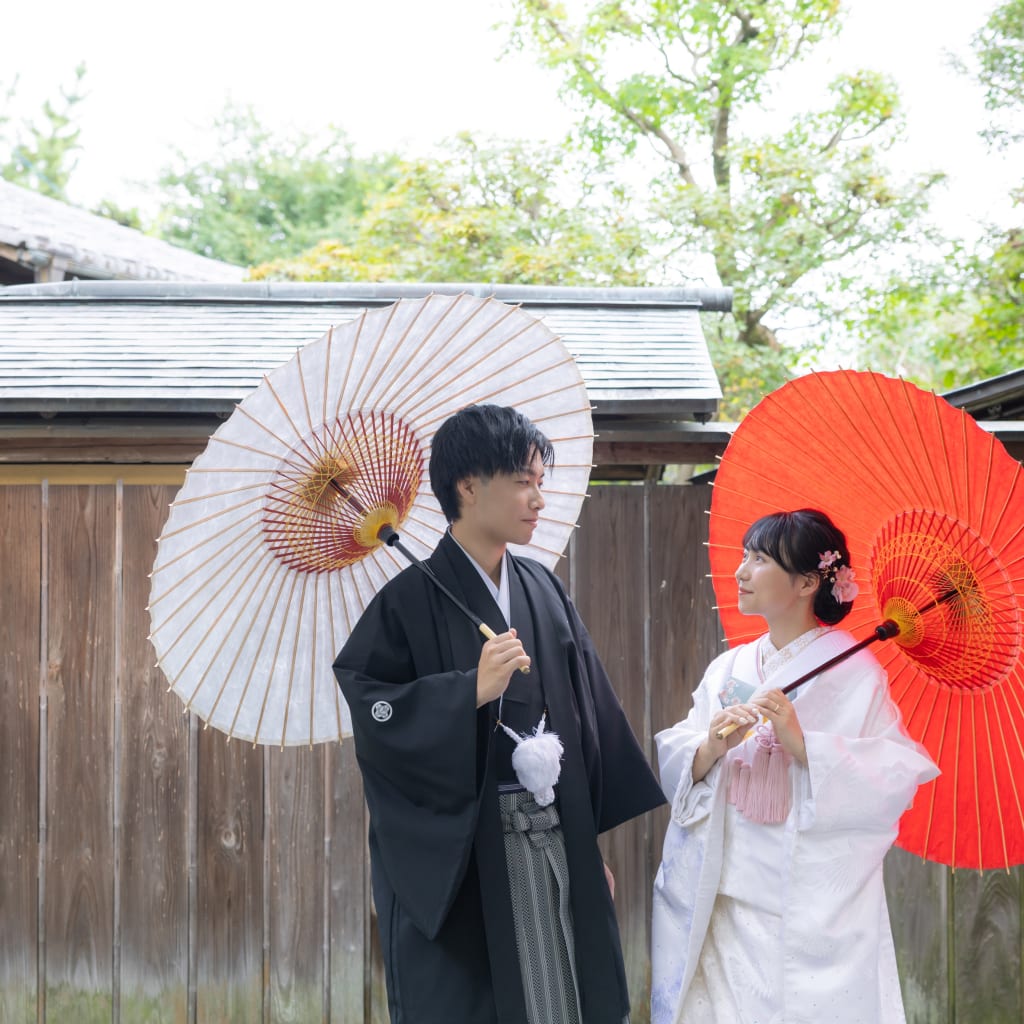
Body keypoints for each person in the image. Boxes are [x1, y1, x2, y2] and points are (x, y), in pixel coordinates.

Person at [333, 403, 666, 1024]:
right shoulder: (406, 603)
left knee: (563, 996)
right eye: (522, 481)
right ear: (468, 486)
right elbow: (374, 710)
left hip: (555, 834)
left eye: (540, 481)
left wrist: (585, 844)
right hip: (468, 856)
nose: (538, 499)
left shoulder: (543, 586)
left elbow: (586, 716)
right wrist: (468, 691)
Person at [651, 508, 939, 1024]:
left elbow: (892, 774)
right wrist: (711, 747)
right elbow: (682, 747)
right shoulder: (731, 666)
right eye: (745, 556)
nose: (741, 571)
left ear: (808, 582)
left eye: (759, 560)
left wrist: (806, 747)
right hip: (723, 896)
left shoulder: (854, 672)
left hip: (803, 906)